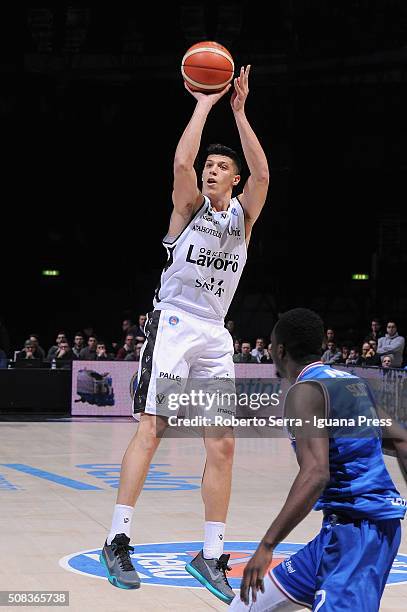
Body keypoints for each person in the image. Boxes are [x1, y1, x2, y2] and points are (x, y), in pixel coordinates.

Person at [100, 64, 269, 602]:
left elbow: (264, 176)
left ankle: (211, 552)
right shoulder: (188, 209)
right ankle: (117, 539)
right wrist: (204, 100)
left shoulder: (242, 219)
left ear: (234, 180)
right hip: (173, 321)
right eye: (211, 165)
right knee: (153, 427)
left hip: (215, 334)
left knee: (222, 445)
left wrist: (240, 112)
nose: (214, 171)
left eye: (223, 167)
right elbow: (180, 161)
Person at [230, 308, 406, 611]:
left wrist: (268, 544)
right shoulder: (352, 382)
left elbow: (316, 473)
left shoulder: (304, 391)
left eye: (272, 345)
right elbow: (401, 440)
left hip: (360, 534)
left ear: (280, 350)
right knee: (246, 605)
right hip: (340, 531)